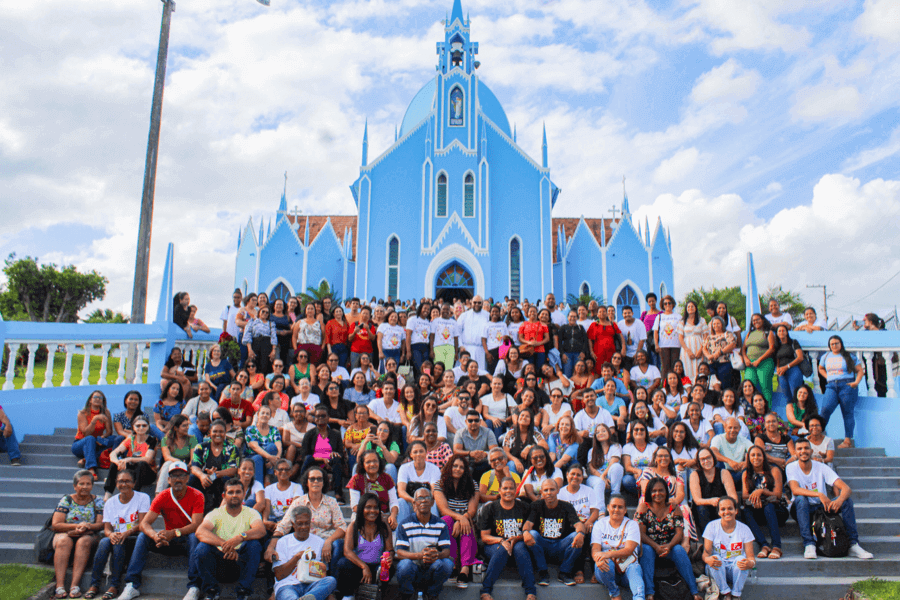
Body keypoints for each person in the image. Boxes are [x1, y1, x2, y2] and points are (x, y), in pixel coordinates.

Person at [119, 461, 203, 600]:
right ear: (168, 480)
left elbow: (196, 524)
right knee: (143, 537)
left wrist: (174, 533)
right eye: (174, 476)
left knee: (194, 536)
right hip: (167, 541)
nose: (178, 479)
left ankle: (194, 586)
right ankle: (132, 585)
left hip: (185, 540)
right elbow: (144, 523)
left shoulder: (197, 495)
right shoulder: (163, 496)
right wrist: (155, 535)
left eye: (181, 475)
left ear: (187, 478)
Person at [787, 438, 874, 560]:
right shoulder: (791, 467)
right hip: (802, 509)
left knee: (846, 500)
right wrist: (819, 494)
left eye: (806, 448)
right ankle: (809, 544)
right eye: (800, 449)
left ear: (812, 451)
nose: (803, 451)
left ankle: (853, 544)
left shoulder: (821, 467)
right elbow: (795, 489)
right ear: (795, 453)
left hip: (821, 508)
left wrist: (838, 500)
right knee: (801, 499)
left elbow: (846, 488)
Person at [194, 478, 266, 600]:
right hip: (219, 561)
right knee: (202, 548)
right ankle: (211, 590)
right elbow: (200, 532)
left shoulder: (251, 513)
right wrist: (225, 545)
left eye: (238, 492)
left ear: (243, 495)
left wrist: (239, 538)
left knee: (254, 545)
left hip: (240, 562)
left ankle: (243, 590)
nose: (234, 495)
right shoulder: (215, 513)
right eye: (230, 492)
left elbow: (261, 530)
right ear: (224, 495)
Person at [86, 470, 149, 600]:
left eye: (127, 481)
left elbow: (143, 524)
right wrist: (111, 535)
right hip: (117, 537)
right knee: (104, 542)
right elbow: (107, 529)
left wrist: (126, 532)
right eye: (120, 481)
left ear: (134, 483)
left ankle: (114, 585)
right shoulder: (110, 502)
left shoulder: (142, 498)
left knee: (118, 542)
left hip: (135, 537)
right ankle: (94, 584)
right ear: (116, 483)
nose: (124, 484)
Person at [636, 478, 700, 600]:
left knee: (679, 550)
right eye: (654, 491)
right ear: (649, 492)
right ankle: (650, 593)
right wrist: (656, 547)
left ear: (666, 492)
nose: (657, 493)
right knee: (646, 549)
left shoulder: (674, 508)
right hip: (650, 546)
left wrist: (669, 546)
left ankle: (694, 592)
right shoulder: (644, 507)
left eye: (661, 490)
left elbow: (679, 533)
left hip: (669, 547)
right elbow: (641, 534)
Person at [477, 477, 536, 600]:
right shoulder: (490, 508)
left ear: (516, 490)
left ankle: (531, 592)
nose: (508, 491)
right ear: (499, 490)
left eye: (511, 488)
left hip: (518, 544)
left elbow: (529, 531)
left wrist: (517, 538)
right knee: (502, 549)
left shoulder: (524, 507)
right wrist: (501, 540)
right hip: (494, 545)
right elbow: (484, 536)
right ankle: (485, 590)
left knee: (520, 548)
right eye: (505, 488)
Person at [51, 470, 104, 600]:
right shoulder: (67, 499)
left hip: (88, 534)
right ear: (75, 486)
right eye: (81, 484)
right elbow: (56, 524)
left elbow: (100, 524)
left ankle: (75, 585)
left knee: (84, 541)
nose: (85, 487)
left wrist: (87, 526)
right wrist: (77, 526)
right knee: (64, 541)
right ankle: (60, 586)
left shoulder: (98, 501)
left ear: (92, 486)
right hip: (65, 532)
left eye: (88, 484)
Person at [395, 487, 455, 600]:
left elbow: (446, 551)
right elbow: (399, 552)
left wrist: (436, 555)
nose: (424, 501)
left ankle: (432, 593)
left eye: (427, 497)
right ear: (414, 503)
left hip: (431, 567)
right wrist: (420, 555)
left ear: (432, 502)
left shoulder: (441, 524)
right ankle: (407, 594)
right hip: (413, 568)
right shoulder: (404, 524)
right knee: (404, 565)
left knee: (447, 564)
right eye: (420, 498)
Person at [523, 478, 584, 586]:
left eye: (552, 489)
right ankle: (543, 573)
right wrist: (525, 532)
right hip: (543, 546)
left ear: (558, 490)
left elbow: (578, 524)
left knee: (575, 535)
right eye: (546, 490)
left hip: (560, 545)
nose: (549, 493)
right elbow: (528, 524)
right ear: (541, 492)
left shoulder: (567, 506)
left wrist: (581, 533)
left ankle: (565, 573)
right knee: (532, 534)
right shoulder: (536, 505)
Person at [334, 493, 394, 600]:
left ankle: (375, 594)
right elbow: (347, 551)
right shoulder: (354, 525)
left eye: (375, 508)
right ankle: (349, 595)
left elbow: (390, 550)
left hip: (377, 567)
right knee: (343, 564)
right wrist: (364, 567)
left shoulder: (384, 526)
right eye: (368, 507)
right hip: (358, 567)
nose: (372, 511)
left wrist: (390, 556)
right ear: (362, 509)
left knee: (390, 568)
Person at [433, 454, 480, 588]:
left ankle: (464, 569)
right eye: (455, 466)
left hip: (466, 520)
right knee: (446, 520)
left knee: (467, 524)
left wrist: (463, 519)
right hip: (451, 520)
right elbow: (443, 509)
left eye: (461, 467)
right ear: (449, 467)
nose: (458, 469)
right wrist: (460, 518)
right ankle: (452, 565)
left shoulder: (473, 485)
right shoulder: (440, 484)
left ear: (465, 470)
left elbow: (472, 510)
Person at [590, 494, 644, 600]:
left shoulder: (632, 525)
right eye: (613, 506)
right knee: (603, 562)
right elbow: (595, 549)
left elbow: (628, 550)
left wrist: (606, 554)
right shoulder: (599, 524)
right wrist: (598, 559)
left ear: (625, 510)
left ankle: (639, 598)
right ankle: (614, 593)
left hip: (627, 571)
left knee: (634, 567)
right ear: (608, 507)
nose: (616, 509)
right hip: (607, 571)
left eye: (620, 507)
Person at [701, 496, 755, 600]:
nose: (727, 512)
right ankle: (726, 593)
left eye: (730, 508)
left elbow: (751, 557)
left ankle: (736, 594)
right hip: (718, 569)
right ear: (719, 513)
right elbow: (706, 554)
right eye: (723, 509)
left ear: (736, 511)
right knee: (715, 558)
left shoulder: (744, 529)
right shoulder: (711, 527)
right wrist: (708, 559)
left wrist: (750, 563)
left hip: (735, 569)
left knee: (741, 559)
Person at [741, 445, 788, 561]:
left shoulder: (774, 470)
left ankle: (777, 546)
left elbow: (777, 494)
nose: (756, 457)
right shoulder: (746, 473)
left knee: (769, 507)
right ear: (748, 458)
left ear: (764, 457)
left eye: (759, 455)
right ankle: (764, 545)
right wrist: (756, 498)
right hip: (758, 509)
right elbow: (744, 495)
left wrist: (761, 491)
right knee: (745, 511)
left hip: (777, 511)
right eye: (753, 455)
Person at [557, 463, 601, 584]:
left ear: (582, 477)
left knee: (592, 534)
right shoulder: (560, 493)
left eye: (579, 475)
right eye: (573, 474)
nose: (575, 477)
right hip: (570, 526)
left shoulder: (589, 491)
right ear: (567, 475)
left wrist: (588, 522)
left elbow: (595, 512)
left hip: (587, 523)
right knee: (578, 534)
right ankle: (578, 570)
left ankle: (595, 571)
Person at [818, 334, 865, 449]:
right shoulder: (826, 356)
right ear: (829, 345)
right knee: (825, 409)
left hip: (847, 385)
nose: (834, 345)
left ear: (841, 344)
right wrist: (827, 377)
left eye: (836, 343)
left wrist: (855, 383)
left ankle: (848, 440)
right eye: (832, 344)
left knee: (847, 412)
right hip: (831, 386)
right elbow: (820, 368)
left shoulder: (849, 356)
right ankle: (818, 436)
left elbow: (860, 371)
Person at [189, 419, 240, 513]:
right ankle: (192, 511)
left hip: (221, 480)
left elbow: (233, 470)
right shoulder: (201, 447)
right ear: (209, 432)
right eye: (215, 431)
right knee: (192, 478)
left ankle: (223, 511)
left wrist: (215, 474)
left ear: (225, 433)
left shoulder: (232, 448)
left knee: (228, 481)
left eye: (221, 431)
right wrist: (202, 476)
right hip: (204, 480)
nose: (218, 434)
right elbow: (194, 467)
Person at [300, 405, 346, 504]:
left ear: (328, 418)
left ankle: (338, 494)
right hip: (314, 463)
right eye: (317, 416)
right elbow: (304, 455)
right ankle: (303, 490)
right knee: (308, 458)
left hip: (331, 463)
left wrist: (334, 453)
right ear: (314, 419)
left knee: (337, 459)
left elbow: (341, 453)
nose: (320, 418)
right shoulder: (309, 434)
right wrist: (321, 459)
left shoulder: (335, 434)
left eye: (323, 416)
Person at [104, 415, 157, 499]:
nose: (141, 428)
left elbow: (147, 459)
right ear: (133, 427)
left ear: (148, 427)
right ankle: (107, 495)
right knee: (114, 465)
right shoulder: (130, 439)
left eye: (144, 425)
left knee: (141, 464)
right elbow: (113, 454)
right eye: (138, 425)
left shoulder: (152, 440)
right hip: (132, 471)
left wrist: (128, 459)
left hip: (148, 473)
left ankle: (134, 496)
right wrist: (118, 462)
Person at [689, 447, 738, 536]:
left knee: (730, 508)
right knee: (702, 508)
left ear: (713, 458)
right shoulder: (695, 475)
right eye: (702, 459)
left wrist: (722, 503)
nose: (706, 461)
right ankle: (708, 540)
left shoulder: (724, 472)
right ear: (698, 461)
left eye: (708, 457)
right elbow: (697, 500)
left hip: (721, 507)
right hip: (703, 510)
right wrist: (711, 501)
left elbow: (734, 497)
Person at [347, 449, 399, 529]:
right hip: (363, 514)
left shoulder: (387, 478)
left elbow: (394, 502)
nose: (372, 464)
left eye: (375, 461)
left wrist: (393, 516)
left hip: (384, 515)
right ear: (363, 464)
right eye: (368, 462)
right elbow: (355, 506)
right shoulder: (356, 479)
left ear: (379, 462)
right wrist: (373, 514)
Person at [72, 390, 116, 479]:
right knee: (90, 439)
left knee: (115, 438)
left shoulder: (106, 412)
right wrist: (95, 419)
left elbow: (109, 432)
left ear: (103, 401)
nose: (98, 399)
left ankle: (85, 459)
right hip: (80, 443)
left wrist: (102, 437)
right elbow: (85, 433)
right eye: (95, 397)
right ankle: (91, 468)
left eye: (100, 398)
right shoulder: (82, 413)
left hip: (97, 442)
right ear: (90, 400)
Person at [397, 441, 442, 523]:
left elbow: (434, 490)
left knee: (434, 503)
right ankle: (401, 532)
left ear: (426, 452)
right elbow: (401, 491)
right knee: (400, 502)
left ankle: (433, 530)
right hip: (411, 502)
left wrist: (424, 502)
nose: (418, 454)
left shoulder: (434, 469)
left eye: (421, 451)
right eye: (415, 452)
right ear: (410, 454)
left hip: (427, 502)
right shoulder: (404, 468)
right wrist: (413, 501)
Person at [453, 409, 499, 481]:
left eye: (476, 420)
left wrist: (484, 454)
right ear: (466, 422)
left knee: (495, 462)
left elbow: (495, 451)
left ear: (480, 421)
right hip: (467, 462)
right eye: (470, 421)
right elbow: (456, 451)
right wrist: (470, 453)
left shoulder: (488, 432)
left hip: (485, 461)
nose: (473, 422)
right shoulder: (460, 433)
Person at [710, 417, 753, 491]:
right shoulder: (718, 438)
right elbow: (713, 452)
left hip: (739, 472)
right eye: (730, 427)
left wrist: (746, 462)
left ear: (739, 428)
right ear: (725, 428)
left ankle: (745, 495)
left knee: (750, 465)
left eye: (735, 428)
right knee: (715, 462)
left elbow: (755, 451)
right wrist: (729, 461)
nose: (732, 430)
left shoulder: (744, 440)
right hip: (723, 472)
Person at [741, 313, 776, 402]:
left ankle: (767, 412)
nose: (755, 322)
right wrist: (745, 359)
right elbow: (743, 348)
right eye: (753, 320)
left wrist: (759, 360)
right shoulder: (749, 333)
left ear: (763, 320)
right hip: (750, 364)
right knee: (748, 387)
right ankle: (751, 411)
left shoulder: (768, 332)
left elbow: (771, 348)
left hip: (764, 362)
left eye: (758, 319)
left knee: (765, 387)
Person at [621, 422, 658, 495]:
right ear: (632, 432)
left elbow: (656, 465)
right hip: (634, 476)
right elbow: (627, 467)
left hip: (650, 475)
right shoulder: (627, 447)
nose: (639, 431)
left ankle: (644, 495)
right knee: (626, 480)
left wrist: (644, 473)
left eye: (642, 429)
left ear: (646, 432)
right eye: (636, 429)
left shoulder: (653, 446)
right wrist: (637, 471)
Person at [587, 306, 624, 374]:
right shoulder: (594, 325)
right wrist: (591, 352)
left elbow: (620, 336)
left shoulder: (612, 324)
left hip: (611, 353)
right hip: (598, 353)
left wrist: (623, 348)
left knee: (611, 371)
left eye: (604, 311)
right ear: (597, 314)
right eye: (600, 312)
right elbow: (589, 339)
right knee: (598, 371)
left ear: (607, 314)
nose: (602, 313)